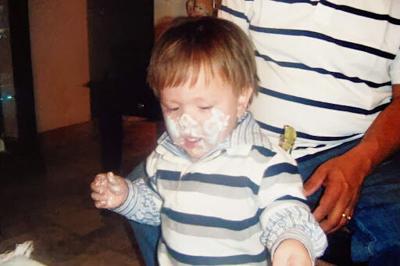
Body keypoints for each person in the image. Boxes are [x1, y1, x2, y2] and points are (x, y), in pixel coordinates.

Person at [91, 16, 327, 265]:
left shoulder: (264, 162)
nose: (186, 123)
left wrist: (291, 243)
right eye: (173, 108)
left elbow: (285, 212)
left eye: (204, 107)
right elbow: (156, 207)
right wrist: (127, 196)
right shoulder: (165, 156)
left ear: (241, 99)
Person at [218, 1, 400, 265]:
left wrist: (360, 163)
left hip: (360, 152)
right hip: (254, 146)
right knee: (164, 198)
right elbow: (216, 68)